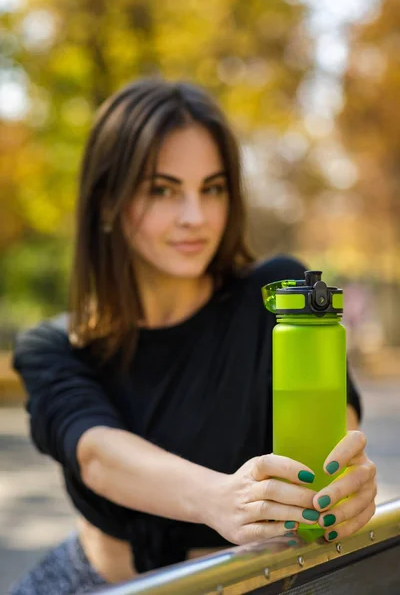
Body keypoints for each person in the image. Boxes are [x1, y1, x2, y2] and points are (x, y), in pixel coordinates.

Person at [9, 78, 376, 595]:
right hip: (89, 582)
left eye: (212, 188)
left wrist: (342, 485)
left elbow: (333, 431)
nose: (195, 217)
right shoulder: (55, 346)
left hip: (254, 586)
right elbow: (97, 454)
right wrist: (221, 498)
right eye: (163, 189)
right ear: (107, 202)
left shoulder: (274, 299)